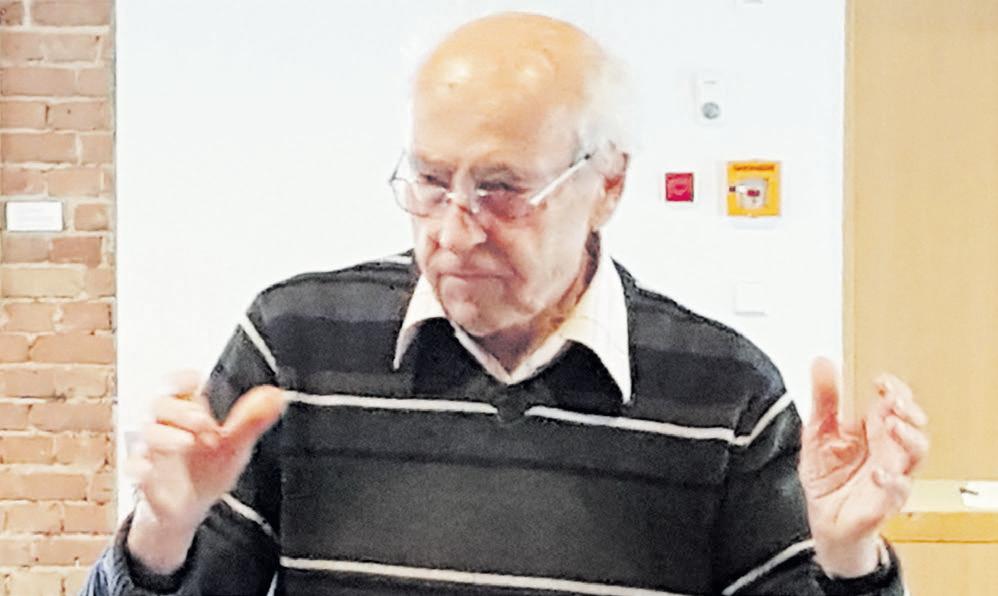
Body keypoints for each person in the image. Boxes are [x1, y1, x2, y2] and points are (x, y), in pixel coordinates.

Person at [83, 12, 929, 596]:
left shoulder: (726, 395)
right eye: (429, 181)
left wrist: (848, 556)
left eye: (500, 189)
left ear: (607, 184)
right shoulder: (295, 345)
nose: (452, 232)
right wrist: (161, 532)